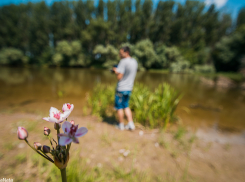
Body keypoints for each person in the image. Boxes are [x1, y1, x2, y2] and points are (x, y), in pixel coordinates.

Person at [112, 46, 138, 130]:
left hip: (121, 88)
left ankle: (121, 125)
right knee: (126, 106)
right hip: (129, 88)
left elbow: (119, 77)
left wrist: (116, 71)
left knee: (119, 107)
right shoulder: (134, 61)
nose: (119, 55)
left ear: (126, 53)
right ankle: (131, 124)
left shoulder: (123, 62)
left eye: (121, 53)